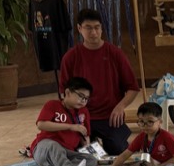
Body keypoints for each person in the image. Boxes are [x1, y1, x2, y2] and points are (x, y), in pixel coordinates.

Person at [57, 9, 141, 155]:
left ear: (102, 28)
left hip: (110, 116)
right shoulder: (70, 57)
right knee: (79, 154)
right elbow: (64, 93)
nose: (93, 33)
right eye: (88, 28)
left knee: (116, 149)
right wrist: (73, 119)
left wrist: (120, 107)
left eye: (97, 27)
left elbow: (133, 88)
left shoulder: (115, 53)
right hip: (81, 117)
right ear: (79, 28)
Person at [30, 77, 96, 166]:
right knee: (55, 147)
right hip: (45, 148)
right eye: (80, 96)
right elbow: (41, 124)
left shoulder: (83, 111)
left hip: (67, 152)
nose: (83, 101)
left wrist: (86, 145)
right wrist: (70, 127)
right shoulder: (52, 104)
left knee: (91, 160)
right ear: (68, 92)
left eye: (86, 98)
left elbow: (85, 135)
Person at [126, 102, 174, 166]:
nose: (145, 125)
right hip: (153, 164)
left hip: (170, 165)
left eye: (150, 121)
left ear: (160, 122)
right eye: (141, 121)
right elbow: (126, 154)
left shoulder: (167, 137)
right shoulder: (141, 137)